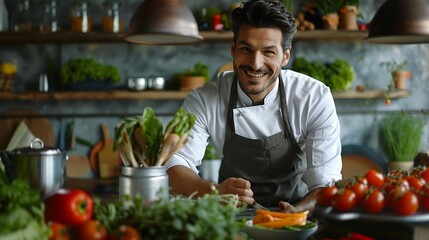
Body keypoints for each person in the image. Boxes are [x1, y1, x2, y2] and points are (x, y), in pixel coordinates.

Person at [165, 0, 342, 214]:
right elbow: (173, 163)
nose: (255, 63)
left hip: (298, 215)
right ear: (233, 50)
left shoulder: (313, 97)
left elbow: (326, 182)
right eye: (246, 49)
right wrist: (213, 192)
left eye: (268, 52)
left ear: (285, 56)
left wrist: (295, 215)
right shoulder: (205, 99)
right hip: (227, 219)